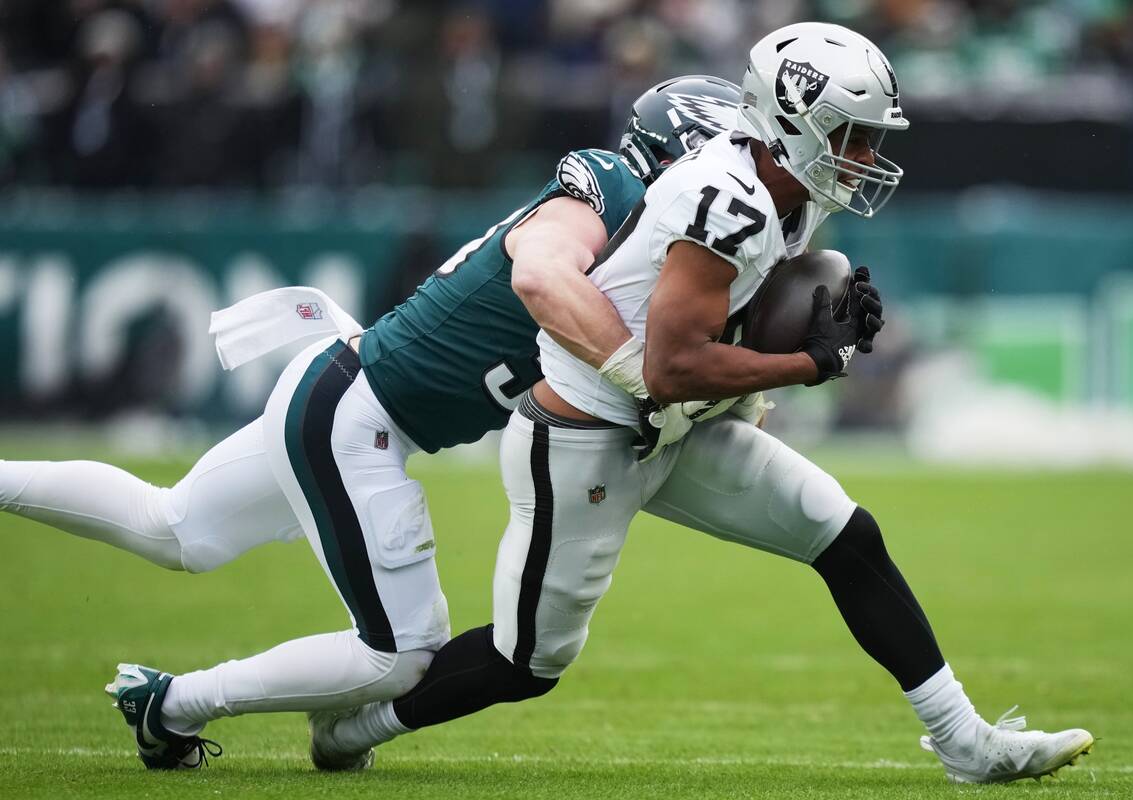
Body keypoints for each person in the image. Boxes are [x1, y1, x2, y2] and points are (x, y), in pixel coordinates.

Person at [313, 23, 1094, 785]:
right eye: (852, 136)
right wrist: (808, 361)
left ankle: (967, 742)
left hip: (672, 427)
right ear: (795, 124)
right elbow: (672, 366)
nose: (867, 158)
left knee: (846, 537)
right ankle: (358, 725)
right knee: (530, 661)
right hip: (589, 434)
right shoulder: (725, 198)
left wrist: (811, 329)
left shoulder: (796, 188)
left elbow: (724, 336)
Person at [0, 76, 743, 770]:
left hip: (351, 395)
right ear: (676, 154)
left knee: (175, 529)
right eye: (723, 156)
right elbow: (544, 273)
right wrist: (636, 372)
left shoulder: (660, 244)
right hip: (358, 410)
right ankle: (173, 705)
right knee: (401, 654)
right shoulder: (608, 192)